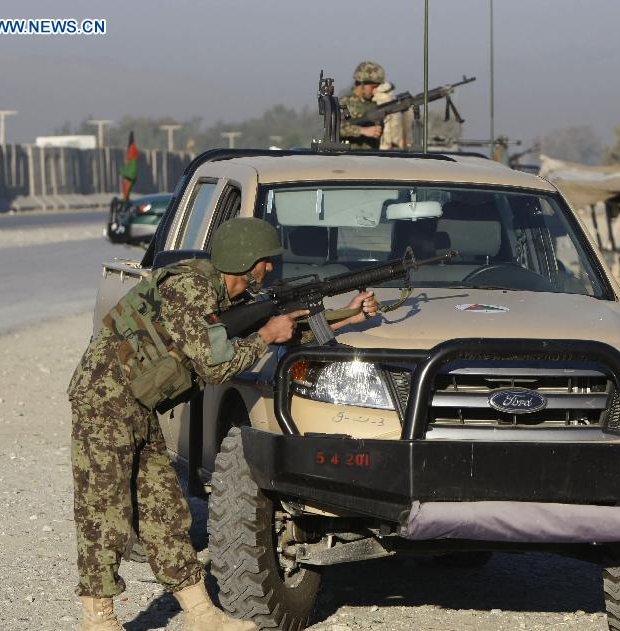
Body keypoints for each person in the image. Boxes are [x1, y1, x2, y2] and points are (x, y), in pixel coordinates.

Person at [67, 217, 377, 630]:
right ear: (247, 261)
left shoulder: (224, 294)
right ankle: (97, 620)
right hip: (103, 400)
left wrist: (347, 317)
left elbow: (282, 331)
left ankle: (200, 614)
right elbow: (216, 366)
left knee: (164, 510)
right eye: (266, 261)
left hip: (137, 404)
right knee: (104, 508)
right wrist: (265, 335)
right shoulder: (188, 289)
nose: (270, 268)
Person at [340, 61, 386, 150]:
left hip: (371, 157)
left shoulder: (374, 104)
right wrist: (362, 131)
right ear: (362, 84)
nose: (375, 91)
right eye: (373, 87)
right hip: (348, 158)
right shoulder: (345, 103)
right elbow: (337, 128)